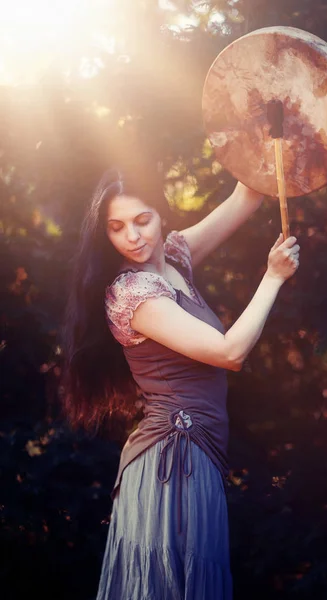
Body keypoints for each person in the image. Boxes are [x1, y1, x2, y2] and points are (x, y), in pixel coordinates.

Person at [62, 164, 299, 600]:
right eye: (117, 228)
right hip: (171, 463)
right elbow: (230, 352)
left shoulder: (174, 257)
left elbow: (245, 196)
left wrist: (265, 137)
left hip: (199, 455)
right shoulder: (132, 293)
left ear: (162, 215)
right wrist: (273, 277)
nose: (132, 236)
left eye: (142, 220)